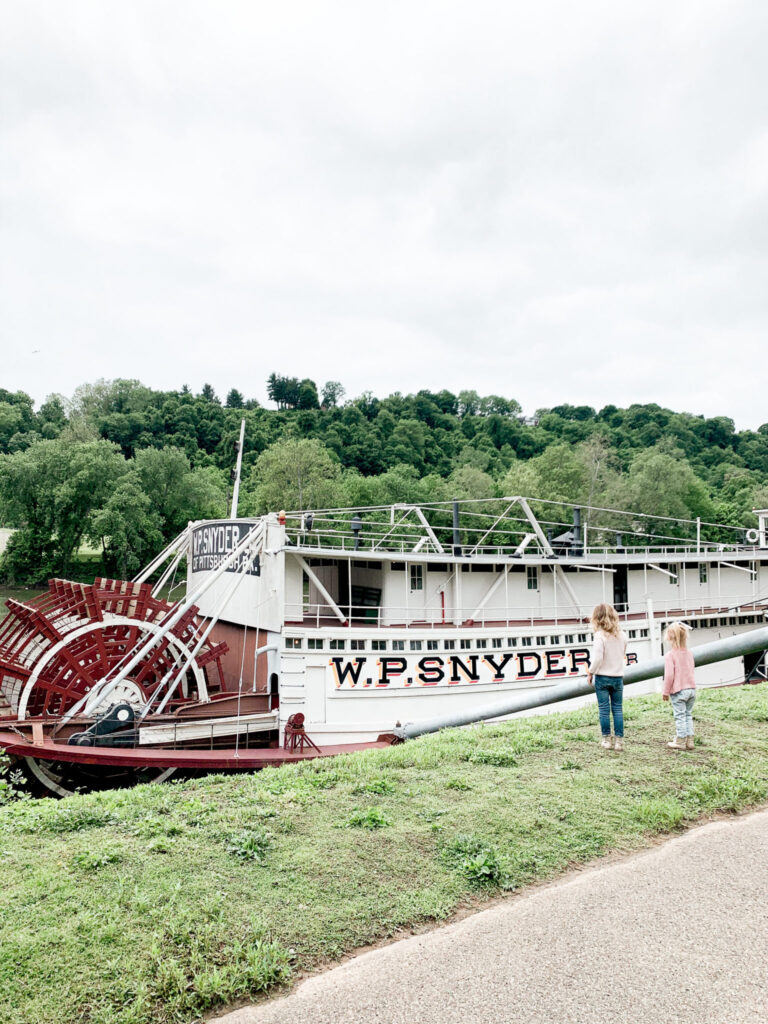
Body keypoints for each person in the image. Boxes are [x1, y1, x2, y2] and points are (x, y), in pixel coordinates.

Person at [587, 603, 627, 751]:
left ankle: (606, 740)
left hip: (602, 677)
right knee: (618, 709)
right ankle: (619, 742)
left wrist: (591, 672)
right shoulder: (622, 635)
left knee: (604, 709)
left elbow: (597, 659)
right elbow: (622, 653)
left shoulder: (599, 636)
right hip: (618, 677)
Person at [662, 622, 696, 750]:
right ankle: (690, 740)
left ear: (670, 638)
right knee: (688, 714)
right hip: (691, 689)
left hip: (679, 691)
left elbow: (669, 675)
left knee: (679, 716)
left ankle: (680, 740)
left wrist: (665, 692)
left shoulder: (670, 655)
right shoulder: (689, 653)